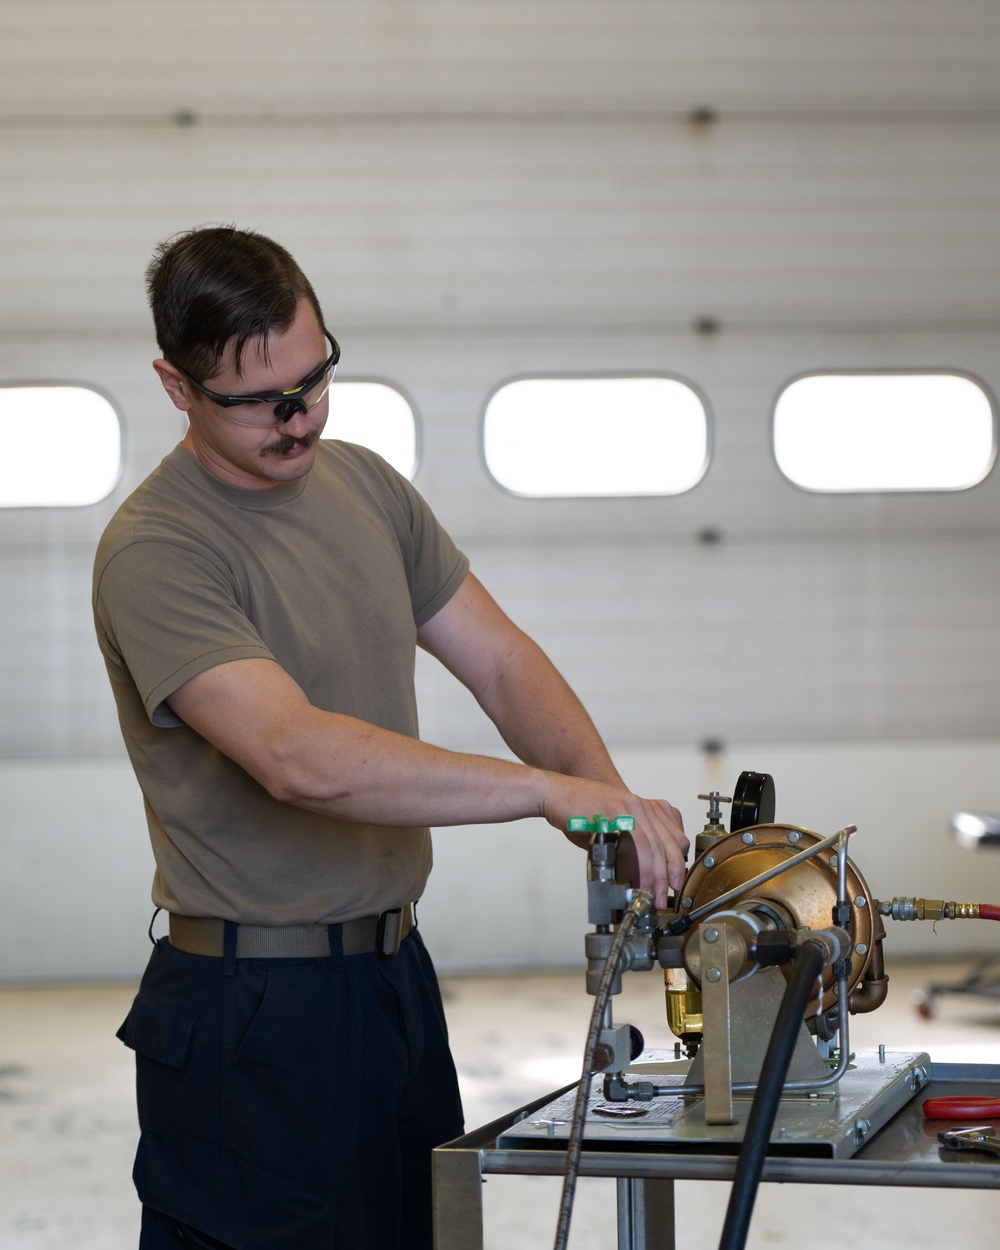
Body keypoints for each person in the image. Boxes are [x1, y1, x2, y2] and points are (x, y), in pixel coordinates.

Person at [92, 225, 688, 1250]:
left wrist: (612, 811)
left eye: (314, 379)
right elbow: (296, 757)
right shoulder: (158, 549)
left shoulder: (364, 486)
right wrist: (543, 791)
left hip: (390, 980)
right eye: (257, 399)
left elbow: (500, 659)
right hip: (251, 1011)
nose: (296, 417)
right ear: (174, 384)